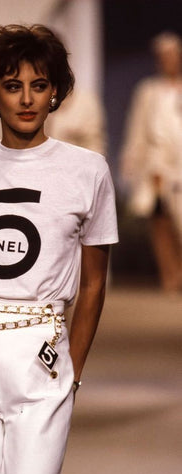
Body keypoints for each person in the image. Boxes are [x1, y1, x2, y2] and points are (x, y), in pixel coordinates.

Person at [0, 24, 118, 474]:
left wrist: (73, 373)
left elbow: (93, 285)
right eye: (13, 86)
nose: (27, 99)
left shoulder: (88, 171)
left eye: (39, 85)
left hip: (43, 355)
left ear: (55, 92)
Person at [120, 32, 182, 292]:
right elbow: (137, 126)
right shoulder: (148, 90)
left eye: (172, 55)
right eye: (163, 56)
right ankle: (171, 276)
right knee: (160, 218)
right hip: (157, 164)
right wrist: (131, 159)